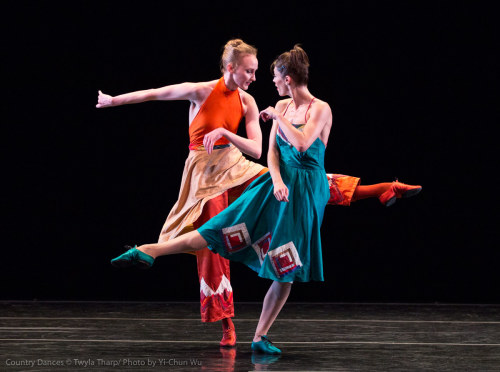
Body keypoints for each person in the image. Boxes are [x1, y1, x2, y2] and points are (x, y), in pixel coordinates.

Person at [98, 40, 421, 350]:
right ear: (231, 67)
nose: (254, 78)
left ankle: (383, 189)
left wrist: (228, 134)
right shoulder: (202, 90)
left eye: (259, 72)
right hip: (205, 177)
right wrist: (113, 101)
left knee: (317, 182)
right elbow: (158, 93)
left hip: (238, 167)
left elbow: (261, 148)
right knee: (214, 239)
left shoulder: (254, 102)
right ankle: (223, 319)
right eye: (249, 71)